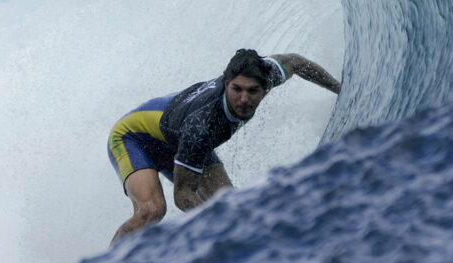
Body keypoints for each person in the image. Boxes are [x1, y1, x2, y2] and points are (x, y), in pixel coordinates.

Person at [107, 49, 341, 245]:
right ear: (226, 83)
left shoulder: (266, 75)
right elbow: (183, 195)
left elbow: (297, 63)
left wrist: (340, 89)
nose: (244, 99)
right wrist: (218, 230)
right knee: (152, 209)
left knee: (230, 206)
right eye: (236, 90)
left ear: (265, 85)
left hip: (178, 134)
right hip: (134, 137)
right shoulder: (202, 126)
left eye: (252, 91)